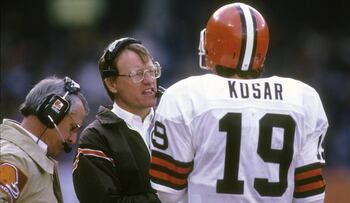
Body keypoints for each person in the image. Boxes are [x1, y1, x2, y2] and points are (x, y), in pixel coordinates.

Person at [149, 2, 328, 203]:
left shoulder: (184, 96)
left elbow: (167, 194)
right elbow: (310, 197)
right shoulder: (302, 98)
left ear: (212, 46)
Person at [72, 37, 162, 203]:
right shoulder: (96, 137)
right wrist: (167, 198)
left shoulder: (173, 122)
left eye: (152, 71)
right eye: (137, 74)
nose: (149, 80)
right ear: (112, 83)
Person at [0, 76, 89, 203]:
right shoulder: (15, 159)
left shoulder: (29, 161)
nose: (73, 140)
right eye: (72, 128)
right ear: (52, 114)